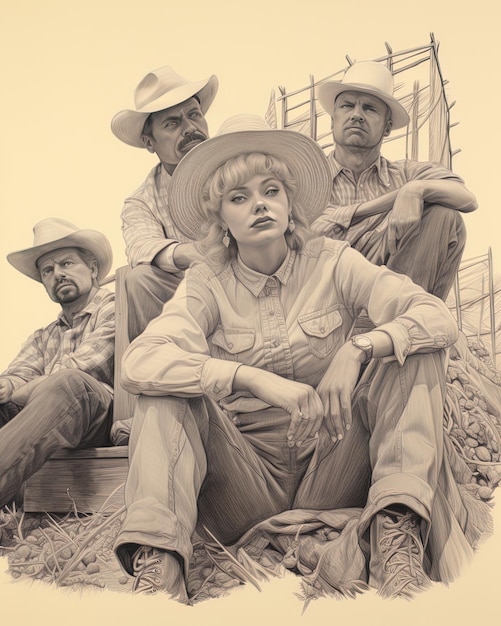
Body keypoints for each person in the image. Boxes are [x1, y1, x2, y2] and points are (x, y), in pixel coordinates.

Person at [112, 115, 479, 602]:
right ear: (221, 221)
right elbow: (140, 361)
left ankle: (397, 542)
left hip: (334, 465)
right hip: (246, 483)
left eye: (271, 191)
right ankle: (158, 579)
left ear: (290, 204)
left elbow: (435, 317)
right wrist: (251, 380)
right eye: (239, 198)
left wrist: (357, 348)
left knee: (408, 350)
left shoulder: (333, 260)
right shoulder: (205, 284)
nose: (259, 205)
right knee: (167, 389)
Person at [312, 61, 478, 301]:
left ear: (387, 127)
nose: (356, 115)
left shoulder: (405, 173)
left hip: (393, 293)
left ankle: (402, 319)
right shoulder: (309, 177)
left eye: (369, 108)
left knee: (445, 215)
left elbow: (467, 199)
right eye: (347, 105)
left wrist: (415, 189)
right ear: (332, 120)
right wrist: (397, 198)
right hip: (323, 297)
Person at [0, 218, 115, 508]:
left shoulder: (115, 307)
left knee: (69, 384)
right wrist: (8, 386)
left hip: (102, 416)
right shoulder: (43, 336)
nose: (58, 274)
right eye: (48, 270)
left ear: (92, 269)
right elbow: (17, 376)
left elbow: (87, 367)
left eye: (67, 264)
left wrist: (28, 388)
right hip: (48, 417)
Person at [111, 65, 219, 339]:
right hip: (189, 298)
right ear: (149, 142)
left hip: (250, 277)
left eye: (194, 115)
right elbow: (142, 246)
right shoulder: (141, 201)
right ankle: (168, 367)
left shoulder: (234, 163)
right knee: (139, 280)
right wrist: (197, 252)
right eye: (172, 123)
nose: (190, 128)